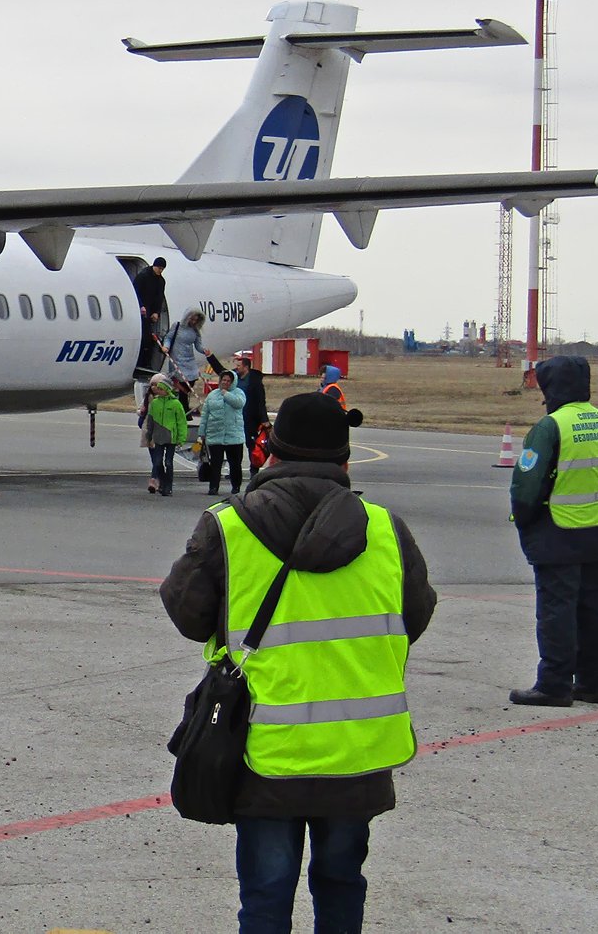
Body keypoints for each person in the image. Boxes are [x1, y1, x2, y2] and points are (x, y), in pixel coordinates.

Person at [161, 392, 436, 934]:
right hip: (358, 750)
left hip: (268, 748)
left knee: (265, 894)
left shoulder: (228, 527)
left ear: (270, 453)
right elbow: (416, 616)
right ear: (346, 460)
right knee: (341, 884)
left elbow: (187, 612)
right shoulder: (386, 530)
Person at [506, 354, 598, 707]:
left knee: (557, 609)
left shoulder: (551, 426)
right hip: (595, 530)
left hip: (557, 529)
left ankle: (554, 683)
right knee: (593, 609)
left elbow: (527, 485)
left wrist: (524, 519)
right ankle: (591, 683)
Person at [198, 369, 248, 497]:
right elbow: (205, 414)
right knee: (215, 463)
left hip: (234, 435)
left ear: (233, 382)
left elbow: (239, 404)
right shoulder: (213, 395)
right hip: (215, 434)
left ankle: (236, 486)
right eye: (223, 380)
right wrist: (202, 432)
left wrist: (226, 394)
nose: (225, 382)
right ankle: (213, 487)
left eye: (228, 381)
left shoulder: (238, 393)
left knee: (235, 463)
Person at [139, 375, 187, 496]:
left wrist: (181, 438)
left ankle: (168, 486)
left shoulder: (176, 404)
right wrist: (149, 436)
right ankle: (162, 483)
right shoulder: (155, 403)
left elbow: (181, 422)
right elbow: (150, 421)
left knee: (169, 462)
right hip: (158, 437)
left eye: (160, 389)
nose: (158, 391)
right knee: (158, 461)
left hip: (171, 438)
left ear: (166, 390)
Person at [164, 309, 211, 398]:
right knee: (181, 380)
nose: (193, 322)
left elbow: (198, 345)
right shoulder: (177, 326)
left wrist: (204, 351)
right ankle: (182, 399)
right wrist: (166, 346)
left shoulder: (195, 331)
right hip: (177, 358)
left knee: (192, 379)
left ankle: (183, 396)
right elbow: (168, 338)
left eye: (195, 320)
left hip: (189, 359)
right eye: (192, 319)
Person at [133, 257, 168, 376]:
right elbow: (135, 291)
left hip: (150, 312)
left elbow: (159, 299)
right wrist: (141, 305)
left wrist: (156, 312)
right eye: (159, 268)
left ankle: (145, 363)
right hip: (140, 309)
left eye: (162, 269)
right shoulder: (143, 276)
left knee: (149, 340)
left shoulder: (161, 281)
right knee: (143, 338)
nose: (160, 271)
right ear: (154, 266)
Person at [236, 350, 269, 449]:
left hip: (250, 418)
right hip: (238, 418)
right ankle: (237, 464)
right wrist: (210, 356)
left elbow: (261, 401)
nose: (236, 368)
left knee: (251, 443)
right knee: (237, 444)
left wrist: (264, 419)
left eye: (239, 366)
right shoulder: (235, 377)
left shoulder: (255, 382)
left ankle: (254, 463)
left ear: (246, 367)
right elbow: (222, 371)